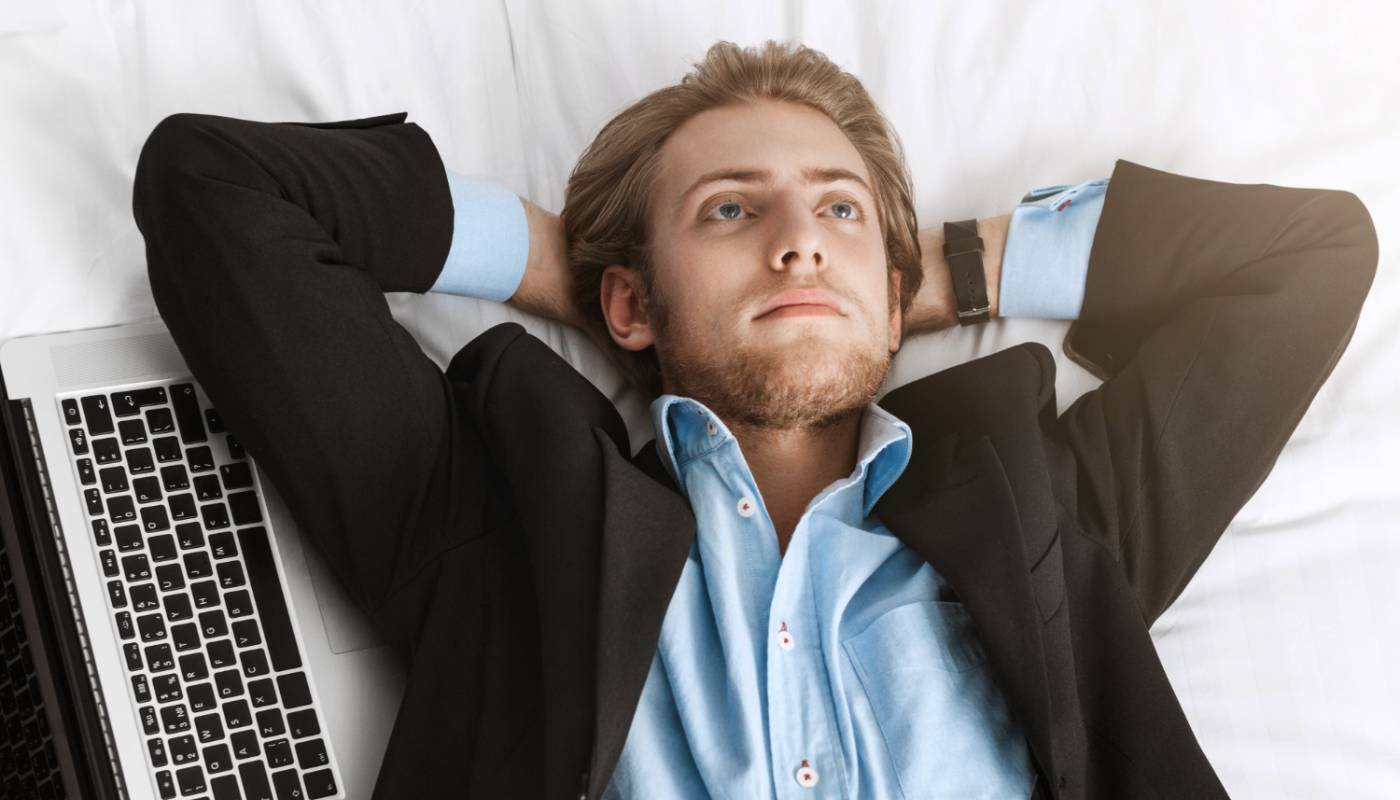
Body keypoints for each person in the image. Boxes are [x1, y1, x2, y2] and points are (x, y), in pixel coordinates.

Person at [131, 39, 1377, 800]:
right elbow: (214, 189)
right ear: (629, 301)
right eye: (729, 211)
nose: (797, 240)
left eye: (838, 212)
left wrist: (932, 276)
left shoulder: (1049, 516)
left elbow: (1310, 256)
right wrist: (572, 271)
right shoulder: (506, 521)